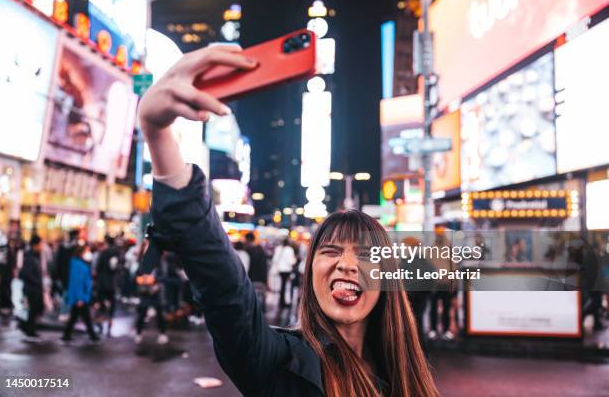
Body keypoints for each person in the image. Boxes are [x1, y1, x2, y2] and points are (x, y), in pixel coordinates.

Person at [137, 44, 438, 396]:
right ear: (310, 271)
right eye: (330, 251)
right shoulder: (278, 363)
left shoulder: (404, 374)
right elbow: (226, 293)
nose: (346, 264)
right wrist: (157, 134)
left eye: (367, 255)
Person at [61, 242, 100, 344]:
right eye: (87, 251)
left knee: (75, 317)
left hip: (80, 297)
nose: (89, 253)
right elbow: (78, 283)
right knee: (85, 318)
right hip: (81, 297)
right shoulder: (79, 266)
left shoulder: (77, 264)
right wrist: (80, 298)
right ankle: (93, 337)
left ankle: (66, 336)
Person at [18, 235, 45, 341]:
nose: (41, 247)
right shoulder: (30, 256)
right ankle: (29, 329)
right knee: (34, 309)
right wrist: (38, 282)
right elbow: (27, 273)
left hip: (34, 288)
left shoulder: (34, 255)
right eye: (40, 244)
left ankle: (29, 329)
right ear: (35, 245)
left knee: (35, 309)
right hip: (32, 288)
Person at [95, 235, 120, 335]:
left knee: (101, 301)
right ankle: (110, 319)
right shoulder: (117, 253)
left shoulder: (103, 253)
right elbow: (118, 267)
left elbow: (98, 267)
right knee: (112, 301)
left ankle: (100, 321)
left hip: (102, 282)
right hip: (112, 282)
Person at [272, 237, 297, 307]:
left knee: (282, 285)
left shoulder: (278, 249)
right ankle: (285, 301)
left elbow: (275, 259)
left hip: (280, 270)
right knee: (286, 286)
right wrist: (295, 259)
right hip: (287, 270)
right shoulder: (289, 250)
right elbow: (291, 261)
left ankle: (281, 301)